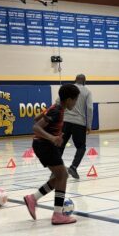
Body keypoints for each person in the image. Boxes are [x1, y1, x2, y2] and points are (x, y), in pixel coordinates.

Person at [24, 84, 80, 225]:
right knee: (63, 175)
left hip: (43, 145)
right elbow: (36, 127)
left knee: (60, 176)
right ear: (68, 100)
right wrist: (52, 138)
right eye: (75, 100)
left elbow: (36, 118)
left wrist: (52, 132)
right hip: (44, 145)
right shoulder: (57, 110)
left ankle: (33, 198)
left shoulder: (55, 108)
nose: (75, 103)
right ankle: (57, 215)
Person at [59, 74, 93, 179]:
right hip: (79, 123)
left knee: (61, 144)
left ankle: (56, 169)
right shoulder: (87, 91)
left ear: (75, 80)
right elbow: (90, 108)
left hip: (65, 121)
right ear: (84, 81)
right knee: (81, 147)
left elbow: (57, 102)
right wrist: (89, 125)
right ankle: (73, 167)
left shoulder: (68, 88)